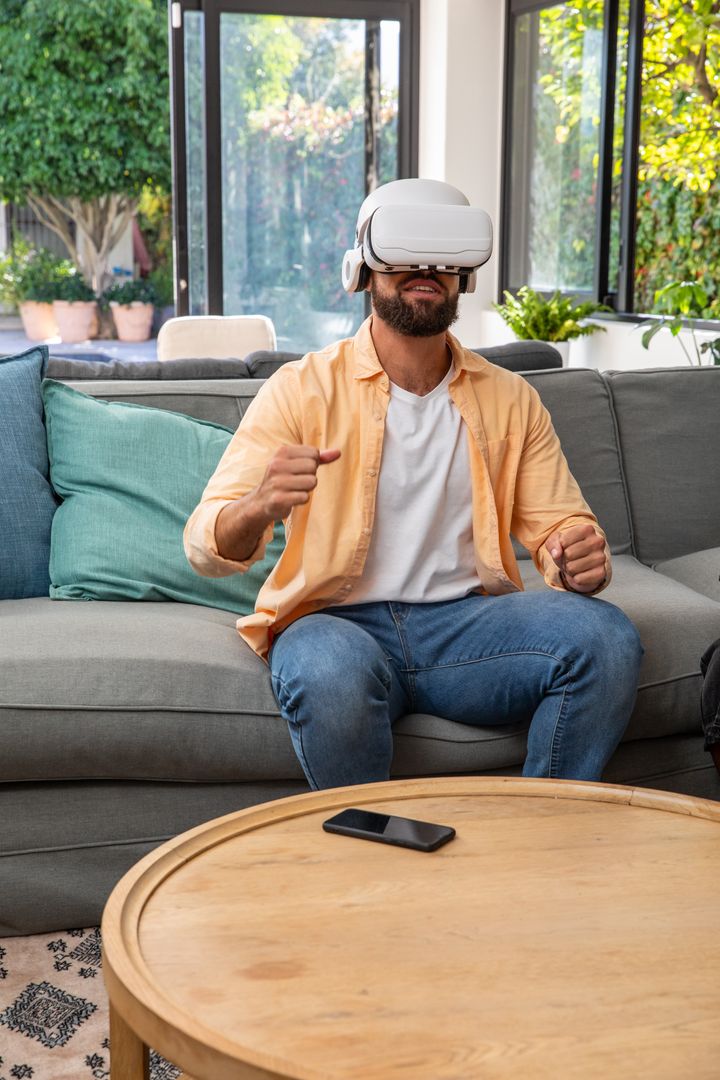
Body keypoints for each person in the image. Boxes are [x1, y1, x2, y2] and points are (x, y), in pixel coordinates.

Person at [184, 178, 643, 791]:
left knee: (606, 639)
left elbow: (563, 528)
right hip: (335, 624)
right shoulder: (301, 389)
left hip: (465, 630)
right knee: (328, 673)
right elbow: (205, 546)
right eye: (403, 253)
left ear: (464, 276)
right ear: (363, 269)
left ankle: (539, 841)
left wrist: (581, 560)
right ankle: (376, 868)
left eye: (443, 257)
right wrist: (260, 503)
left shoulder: (512, 399)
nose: (425, 268)